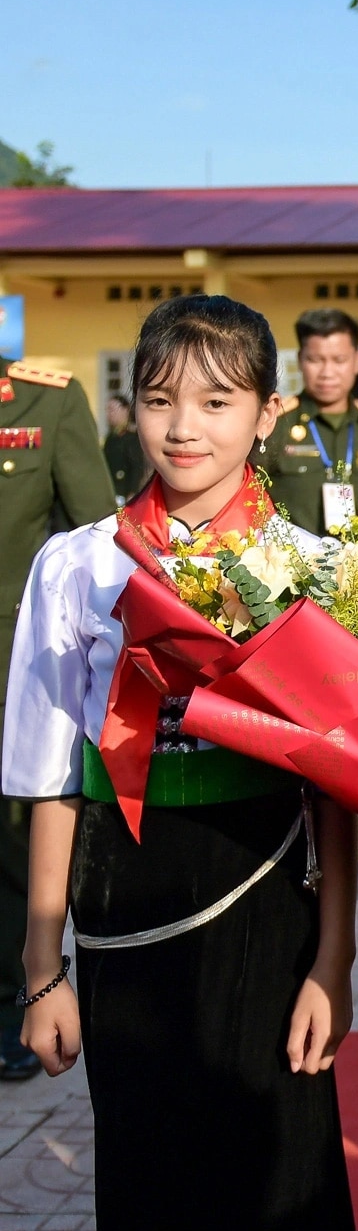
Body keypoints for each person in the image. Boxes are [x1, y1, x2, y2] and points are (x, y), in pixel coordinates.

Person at [3, 295, 358, 1231]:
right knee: (147, 1168)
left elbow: (335, 784)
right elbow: (48, 777)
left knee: (283, 1166)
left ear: (268, 412)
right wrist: (43, 970)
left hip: (265, 887)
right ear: (130, 409)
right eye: (160, 400)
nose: (185, 427)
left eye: (215, 400)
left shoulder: (312, 568)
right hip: (128, 894)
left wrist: (334, 958)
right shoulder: (77, 567)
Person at [263, 306, 358, 906]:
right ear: (301, 363)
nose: (327, 371)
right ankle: (290, 853)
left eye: (339, 359)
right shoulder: (278, 430)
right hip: (287, 612)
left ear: (356, 363)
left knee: (357, 734)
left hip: (355, 610)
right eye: (315, 359)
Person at [0, 356, 116, 1083]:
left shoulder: (47, 399)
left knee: (14, 848)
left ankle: (18, 995)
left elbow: (94, 542)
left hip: (15, 668)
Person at [101, 392, 150, 503]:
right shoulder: (111, 437)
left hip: (123, 494)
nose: (109, 414)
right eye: (107, 410)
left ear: (125, 410)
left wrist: (132, 492)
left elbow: (136, 466)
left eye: (112, 409)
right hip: (110, 492)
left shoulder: (132, 437)